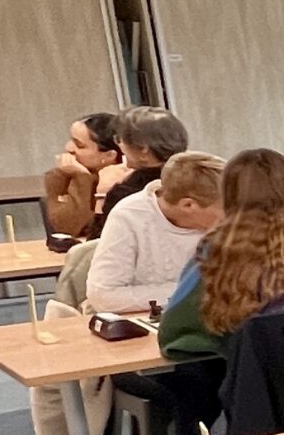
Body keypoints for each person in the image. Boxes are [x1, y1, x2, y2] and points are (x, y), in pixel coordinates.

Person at [141, 149, 284, 435]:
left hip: (256, 406)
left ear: (229, 197)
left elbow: (174, 337)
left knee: (192, 376)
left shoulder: (217, 251)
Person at [85, 150, 223, 315]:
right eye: (228, 208)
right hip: (141, 321)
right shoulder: (129, 216)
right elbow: (103, 296)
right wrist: (193, 291)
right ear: (188, 205)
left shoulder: (227, 221)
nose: (236, 214)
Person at [96, 106, 191, 237]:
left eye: (119, 140)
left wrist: (101, 194)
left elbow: (98, 241)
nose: (119, 146)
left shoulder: (127, 192)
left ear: (143, 149)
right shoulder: (200, 178)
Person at [43, 112, 123, 239]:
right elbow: (67, 228)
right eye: (71, 140)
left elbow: (98, 232)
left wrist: (84, 178)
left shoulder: (127, 181)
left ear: (109, 155)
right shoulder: (62, 177)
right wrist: (82, 177)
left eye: (79, 145)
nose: (68, 148)